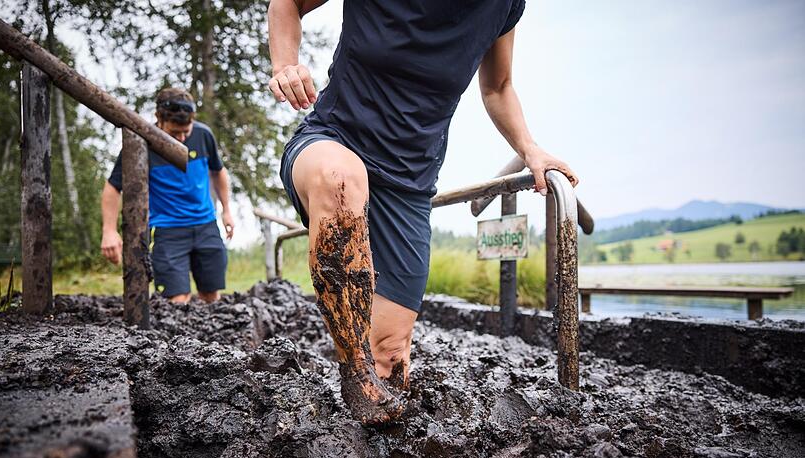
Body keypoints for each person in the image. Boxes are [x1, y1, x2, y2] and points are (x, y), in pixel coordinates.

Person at [268, 1, 579, 424]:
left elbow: (498, 87)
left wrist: (530, 149)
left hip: (409, 183)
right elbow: (286, 4)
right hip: (333, 139)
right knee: (341, 179)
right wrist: (285, 64)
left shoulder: (504, 5)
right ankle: (354, 371)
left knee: (392, 358)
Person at [100, 87, 235, 303]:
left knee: (212, 296)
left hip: (206, 225)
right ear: (158, 119)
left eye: (186, 131)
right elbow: (113, 187)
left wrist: (226, 210)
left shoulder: (203, 135)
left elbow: (218, 172)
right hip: (167, 231)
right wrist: (109, 230)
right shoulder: (140, 144)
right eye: (174, 133)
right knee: (178, 299)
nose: (181, 139)